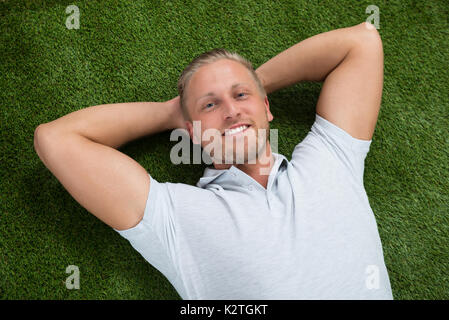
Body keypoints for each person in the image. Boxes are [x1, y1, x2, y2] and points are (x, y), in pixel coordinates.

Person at [34, 22, 393, 299]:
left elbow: (361, 42)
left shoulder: (330, 158)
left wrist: (253, 82)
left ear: (266, 107)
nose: (232, 111)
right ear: (190, 132)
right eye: (210, 104)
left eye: (241, 96)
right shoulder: (175, 216)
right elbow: (56, 139)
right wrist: (170, 113)